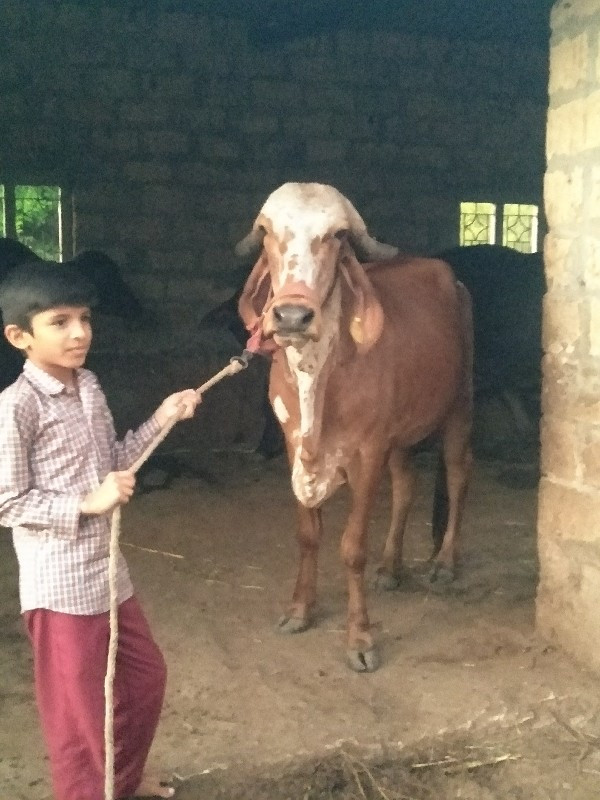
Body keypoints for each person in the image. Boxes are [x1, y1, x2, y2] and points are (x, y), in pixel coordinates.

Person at [0, 261, 199, 800]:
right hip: (60, 587)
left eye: (84, 318)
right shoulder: (17, 407)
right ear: (19, 336)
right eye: (59, 322)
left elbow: (115, 463)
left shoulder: (89, 386)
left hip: (109, 576)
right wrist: (87, 505)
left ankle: (120, 783)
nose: (79, 332)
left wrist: (163, 416)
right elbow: (9, 501)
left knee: (143, 681)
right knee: (81, 721)